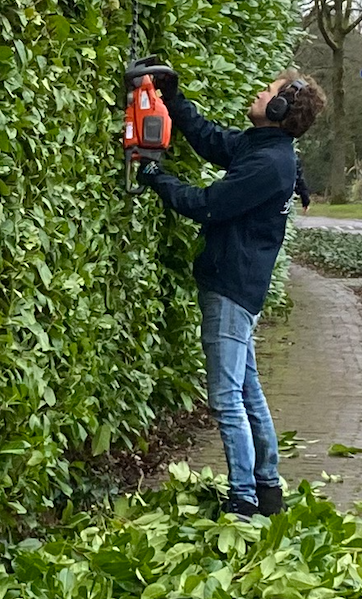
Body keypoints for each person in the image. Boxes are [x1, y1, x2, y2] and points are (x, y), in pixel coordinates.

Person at [137, 69, 327, 519]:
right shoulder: (262, 148)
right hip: (240, 284)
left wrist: (154, 177)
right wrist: (173, 97)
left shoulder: (269, 164)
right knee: (247, 389)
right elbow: (211, 140)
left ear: (280, 110)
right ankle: (267, 486)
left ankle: (242, 498)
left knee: (226, 397)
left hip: (231, 287)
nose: (260, 92)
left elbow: (208, 204)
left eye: (270, 92)